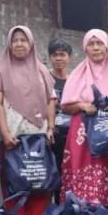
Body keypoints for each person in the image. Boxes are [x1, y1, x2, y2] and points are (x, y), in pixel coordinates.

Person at [0, 26, 57, 215]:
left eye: (23, 40)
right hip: (14, 140)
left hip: (39, 138)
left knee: (40, 185)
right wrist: (4, 133)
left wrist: (51, 127)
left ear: (31, 43)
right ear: (9, 44)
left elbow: (51, 100)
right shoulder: (2, 71)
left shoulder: (42, 70)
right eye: (15, 40)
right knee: (14, 187)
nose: (19, 44)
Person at [60, 29, 108, 207]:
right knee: (81, 169)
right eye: (91, 44)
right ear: (85, 49)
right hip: (83, 134)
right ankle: (81, 213)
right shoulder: (78, 74)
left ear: (107, 46)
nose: (96, 48)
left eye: (100, 43)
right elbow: (65, 106)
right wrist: (82, 105)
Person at [47, 38, 73, 179]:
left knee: (68, 172)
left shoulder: (74, 80)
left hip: (70, 135)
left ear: (70, 57)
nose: (58, 58)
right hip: (51, 134)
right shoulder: (45, 78)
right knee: (52, 173)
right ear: (50, 57)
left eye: (62, 54)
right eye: (54, 55)